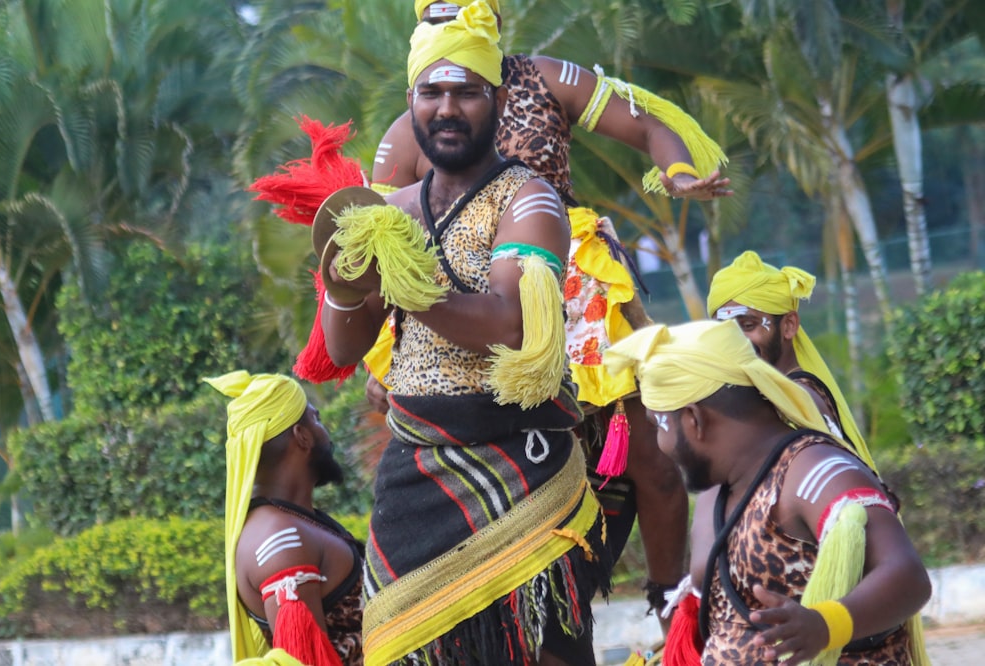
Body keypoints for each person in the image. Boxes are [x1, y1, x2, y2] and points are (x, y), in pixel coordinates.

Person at [363, 0, 732, 621]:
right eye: (436, 23)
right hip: (469, 310)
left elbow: (644, 124)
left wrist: (676, 170)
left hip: (575, 285)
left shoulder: (545, 78)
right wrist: (380, 354)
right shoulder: (410, 129)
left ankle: (675, 607)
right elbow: (377, 250)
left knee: (654, 461)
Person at [320, 4, 611, 664]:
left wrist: (407, 282)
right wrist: (340, 281)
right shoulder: (389, 212)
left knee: (544, 648)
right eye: (433, 92)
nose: (447, 108)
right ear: (411, 100)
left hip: (520, 464)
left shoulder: (530, 202)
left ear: (499, 100)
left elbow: (511, 322)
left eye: (466, 92)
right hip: (415, 469)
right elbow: (343, 349)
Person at [605, 320, 931, 666]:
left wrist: (824, 625)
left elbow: (907, 576)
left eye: (659, 426)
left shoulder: (814, 471)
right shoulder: (715, 495)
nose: (660, 446)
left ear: (693, 419)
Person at [205, 371, 363, 666]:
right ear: (301, 436)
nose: (326, 433)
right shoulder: (281, 539)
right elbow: (305, 660)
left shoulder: (288, 521)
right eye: (316, 420)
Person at [706, 250, 876, 470]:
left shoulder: (797, 400)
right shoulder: (764, 396)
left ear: (788, 325)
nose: (736, 342)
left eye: (748, 326)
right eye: (724, 331)